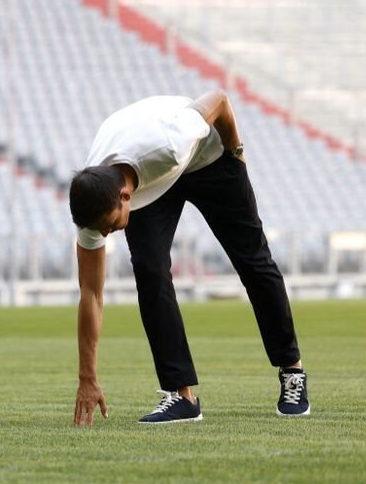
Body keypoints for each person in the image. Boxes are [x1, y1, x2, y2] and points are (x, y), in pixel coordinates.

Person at [69, 90, 310, 426]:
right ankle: (182, 397)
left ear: (125, 197)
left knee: (253, 259)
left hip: (205, 158)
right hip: (148, 177)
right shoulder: (93, 202)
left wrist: (236, 152)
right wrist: (87, 378)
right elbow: (91, 295)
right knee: (150, 269)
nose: (109, 234)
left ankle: (292, 371)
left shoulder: (171, 141)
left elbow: (220, 100)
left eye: (111, 226)